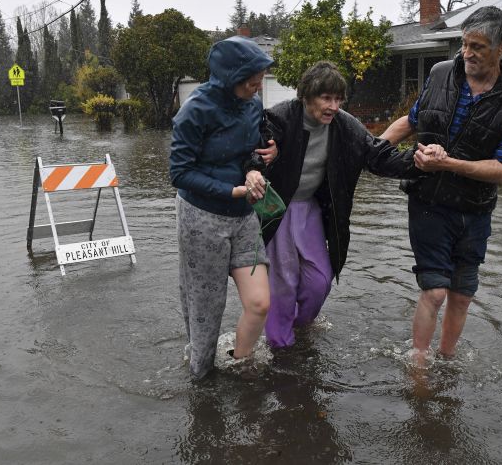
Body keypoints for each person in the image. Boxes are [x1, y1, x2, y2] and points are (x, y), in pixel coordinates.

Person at [380, 6, 502, 364]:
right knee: (434, 292)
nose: (468, 54)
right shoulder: (441, 74)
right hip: (428, 201)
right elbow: (412, 120)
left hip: (475, 210)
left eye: (478, 47)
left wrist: (448, 162)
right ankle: (418, 364)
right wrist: (371, 151)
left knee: (461, 295)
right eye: (465, 44)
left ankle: (446, 361)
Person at [261, 61, 417, 348]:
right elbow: (256, 140)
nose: (333, 106)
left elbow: (377, 156)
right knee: (283, 284)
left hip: (309, 209)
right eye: (326, 98)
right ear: (306, 96)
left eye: (338, 99)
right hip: (277, 209)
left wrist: (418, 159)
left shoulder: (346, 126)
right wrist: (263, 151)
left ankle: (298, 328)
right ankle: (280, 347)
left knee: (320, 279)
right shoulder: (281, 117)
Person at [170, 36, 276, 379]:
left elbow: (250, 151)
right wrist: (232, 190)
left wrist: (257, 166)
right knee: (206, 312)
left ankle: (241, 369)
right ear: (230, 77)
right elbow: (180, 173)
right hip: (201, 218)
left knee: (260, 303)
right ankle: (201, 386)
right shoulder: (194, 112)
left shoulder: (252, 105)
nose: (258, 86)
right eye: (252, 81)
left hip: (244, 215)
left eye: (260, 79)